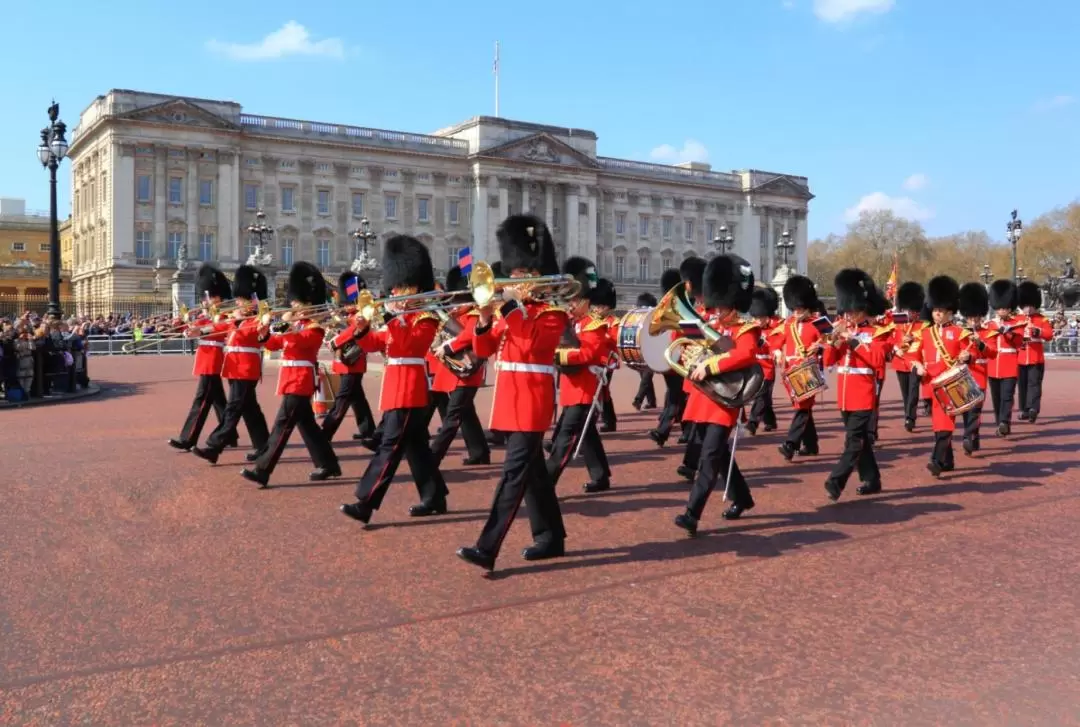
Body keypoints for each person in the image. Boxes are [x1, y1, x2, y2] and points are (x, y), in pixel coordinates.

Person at [457, 214, 568, 571]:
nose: (514, 280)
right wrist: (486, 318)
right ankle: (551, 536)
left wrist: (508, 307)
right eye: (514, 274)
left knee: (513, 475)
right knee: (533, 474)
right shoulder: (509, 312)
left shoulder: (552, 313)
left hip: (533, 400)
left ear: (538, 276)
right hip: (510, 399)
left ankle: (487, 547)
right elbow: (485, 350)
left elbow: (532, 344)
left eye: (522, 275)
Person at [340, 235, 451, 523]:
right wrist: (362, 330)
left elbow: (410, 346)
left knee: (389, 447)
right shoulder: (400, 318)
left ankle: (366, 503)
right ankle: (434, 495)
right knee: (416, 448)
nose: (400, 292)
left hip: (409, 388)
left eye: (406, 287)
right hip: (396, 387)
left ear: (418, 287)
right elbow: (379, 342)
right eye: (398, 286)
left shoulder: (426, 318)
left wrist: (392, 318)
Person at [673, 254, 759, 536]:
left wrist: (711, 364)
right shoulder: (708, 323)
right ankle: (742, 497)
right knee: (719, 455)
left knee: (709, 458)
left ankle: (691, 513)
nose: (718, 311)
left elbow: (745, 354)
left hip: (724, 401)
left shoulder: (746, 328)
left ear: (733, 303)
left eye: (722, 306)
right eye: (716, 305)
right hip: (702, 398)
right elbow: (688, 346)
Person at [241, 262, 341, 487]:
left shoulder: (314, 326)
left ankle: (263, 469)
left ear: (308, 303)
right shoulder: (297, 324)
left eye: (297, 302)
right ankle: (328, 464)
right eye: (293, 301)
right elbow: (277, 344)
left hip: (301, 379)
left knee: (282, 425)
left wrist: (288, 327)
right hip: (291, 377)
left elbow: (303, 343)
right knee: (307, 425)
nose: (293, 305)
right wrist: (265, 335)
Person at [820, 268, 891, 500]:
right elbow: (829, 361)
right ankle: (872, 479)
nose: (849, 315)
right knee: (860, 442)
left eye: (854, 311)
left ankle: (836, 481)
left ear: (864, 309)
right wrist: (833, 341)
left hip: (863, 394)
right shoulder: (844, 331)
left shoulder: (878, 332)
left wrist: (855, 343)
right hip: (844, 394)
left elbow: (878, 360)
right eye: (848, 310)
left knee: (853, 441)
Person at [546, 257, 615, 494]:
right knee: (588, 435)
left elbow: (587, 354)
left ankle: (546, 483)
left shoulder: (594, 324)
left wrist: (559, 356)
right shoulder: (573, 323)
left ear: (586, 300)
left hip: (584, 389)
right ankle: (601, 475)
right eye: (570, 300)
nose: (571, 304)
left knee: (565, 439)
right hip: (571, 388)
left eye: (575, 300)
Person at [191, 264, 271, 464]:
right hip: (235, 368)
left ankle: (214, 446)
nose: (237, 302)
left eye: (241, 300)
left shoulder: (258, 319)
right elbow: (219, 327)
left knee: (233, 408)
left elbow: (250, 336)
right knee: (250, 409)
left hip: (246, 369)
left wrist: (236, 321)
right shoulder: (240, 318)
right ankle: (263, 447)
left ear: (252, 301)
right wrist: (200, 332)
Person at [910, 276, 982, 477]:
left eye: (940, 311)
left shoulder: (960, 332)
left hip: (951, 384)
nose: (937, 314)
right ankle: (948, 460)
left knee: (944, 424)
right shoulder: (924, 333)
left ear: (950, 312)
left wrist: (967, 356)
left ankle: (936, 460)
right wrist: (916, 365)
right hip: (931, 384)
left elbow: (974, 353)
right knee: (937, 425)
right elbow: (912, 354)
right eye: (935, 310)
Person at [168, 264, 237, 452]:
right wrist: (183, 326)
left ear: (218, 296)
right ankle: (230, 434)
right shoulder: (207, 314)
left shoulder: (226, 313)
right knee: (217, 399)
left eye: (209, 296)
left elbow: (222, 329)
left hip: (214, 358)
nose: (205, 300)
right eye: (205, 297)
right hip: (205, 358)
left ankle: (188, 438)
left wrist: (200, 329)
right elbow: (196, 327)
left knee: (202, 399)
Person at [429, 265, 492, 467]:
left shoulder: (474, 313)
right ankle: (480, 452)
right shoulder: (457, 313)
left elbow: (468, 335)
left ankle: (433, 457)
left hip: (467, 371)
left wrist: (447, 348)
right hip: (454, 370)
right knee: (466, 414)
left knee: (453, 416)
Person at [322, 272, 376, 443]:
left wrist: (335, 340)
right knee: (357, 399)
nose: (344, 306)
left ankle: (326, 432)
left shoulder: (359, 315)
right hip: (345, 362)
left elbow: (351, 332)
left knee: (342, 400)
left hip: (354, 362)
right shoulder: (348, 315)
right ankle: (368, 430)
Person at [776, 275, 823, 461]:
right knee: (804, 407)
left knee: (802, 407)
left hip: (808, 369)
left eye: (800, 309)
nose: (796, 312)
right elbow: (775, 341)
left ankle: (791, 444)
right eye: (794, 308)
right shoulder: (788, 324)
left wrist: (819, 345)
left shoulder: (817, 322)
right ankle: (811, 445)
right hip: (790, 370)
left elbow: (832, 340)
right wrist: (777, 352)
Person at [647, 268, 689, 447]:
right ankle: (687, 432)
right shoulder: (667, 308)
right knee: (679, 397)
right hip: (670, 358)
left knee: (675, 397)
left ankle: (662, 432)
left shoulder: (686, 309)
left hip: (682, 359)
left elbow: (692, 333)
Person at [957, 282, 998, 455]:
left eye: (977, 317)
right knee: (967, 410)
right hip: (964, 375)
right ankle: (974, 436)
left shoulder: (988, 332)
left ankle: (967, 436)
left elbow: (993, 352)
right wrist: (962, 357)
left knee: (976, 409)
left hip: (980, 374)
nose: (974, 320)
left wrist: (980, 344)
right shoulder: (960, 332)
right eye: (971, 317)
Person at [986, 279, 1023, 436]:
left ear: (1009, 308)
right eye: (999, 308)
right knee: (997, 398)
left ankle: (1004, 422)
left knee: (1007, 396)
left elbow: (1018, 341)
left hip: (1009, 364)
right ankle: (999, 422)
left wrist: (1007, 332)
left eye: (1005, 308)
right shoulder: (990, 324)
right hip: (993, 364)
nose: (1002, 311)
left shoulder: (1017, 323)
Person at [1016, 280, 1053, 423]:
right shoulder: (1017, 319)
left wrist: (1038, 332)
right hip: (1020, 357)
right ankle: (1024, 410)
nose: (1028, 309)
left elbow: (1049, 335)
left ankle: (1033, 409)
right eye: (1025, 306)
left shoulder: (1041, 319)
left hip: (1035, 358)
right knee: (1022, 385)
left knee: (1034, 385)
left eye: (1030, 306)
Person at [891, 282, 927, 432]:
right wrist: (897, 346)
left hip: (915, 362)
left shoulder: (923, 325)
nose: (910, 313)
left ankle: (910, 418)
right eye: (907, 310)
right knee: (905, 392)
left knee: (913, 390)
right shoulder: (897, 324)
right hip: (900, 361)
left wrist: (912, 338)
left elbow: (926, 342)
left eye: (912, 310)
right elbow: (889, 340)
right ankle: (907, 413)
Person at [746, 287, 780, 435]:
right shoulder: (751, 327)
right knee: (765, 397)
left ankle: (752, 423)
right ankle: (770, 421)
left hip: (767, 367)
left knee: (760, 395)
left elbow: (777, 344)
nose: (757, 321)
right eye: (756, 317)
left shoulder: (777, 326)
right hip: (754, 367)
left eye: (760, 318)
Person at [593, 278, 620, 432]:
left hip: (608, 361)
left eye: (601, 306)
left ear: (608, 307)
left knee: (601, 390)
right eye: (597, 306)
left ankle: (600, 420)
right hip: (597, 360)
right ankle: (610, 421)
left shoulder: (613, 322)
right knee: (604, 391)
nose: (597, 309)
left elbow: (615, 340)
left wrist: (602, 337)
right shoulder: (595, 321)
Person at [631, 292, 659, 410]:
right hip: (641, 350)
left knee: (646, 376)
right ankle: (651, 401)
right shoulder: (638, 319)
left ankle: (638, 399)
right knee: (645, 376)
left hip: (653, 351)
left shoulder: (655, 318)